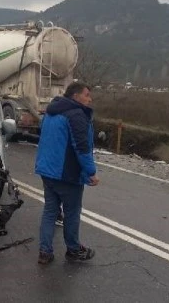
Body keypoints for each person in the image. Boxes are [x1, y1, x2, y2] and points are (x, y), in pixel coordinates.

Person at [35, 81, 99, 264]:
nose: (90, 99)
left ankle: (44, 252)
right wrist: (91, 172)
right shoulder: (76, 115)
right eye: (87, 95)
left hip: (47, 171)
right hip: (66, 174)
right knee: (71, 213)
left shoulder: (51, 111)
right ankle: (73, 249)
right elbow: (82, 147)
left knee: (50, 211)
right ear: (75, 96)